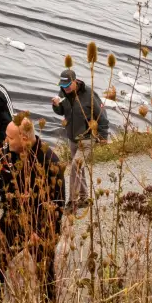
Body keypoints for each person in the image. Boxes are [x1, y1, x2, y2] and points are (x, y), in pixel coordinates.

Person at [0, 116, 66, 303]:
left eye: (10, 138)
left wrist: (40, 229)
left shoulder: (49, 160)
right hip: (13, 219)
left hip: (42, 223)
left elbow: (58, 202)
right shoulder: (7, 154)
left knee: (44, 270)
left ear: (25, 139)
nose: (5, 141)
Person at [53, 68, 109, 208]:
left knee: (75, 166)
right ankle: (84, 198)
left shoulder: (89, 94)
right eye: (62, 86)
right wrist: (56, 106)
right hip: (72, 137)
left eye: (67, 86)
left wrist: (103, 135)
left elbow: (101, 115)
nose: (64, 89)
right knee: (79, 169)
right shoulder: (63, 92)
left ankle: (72, 201)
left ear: (74, 81)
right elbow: (62, 111)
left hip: (87, 137)